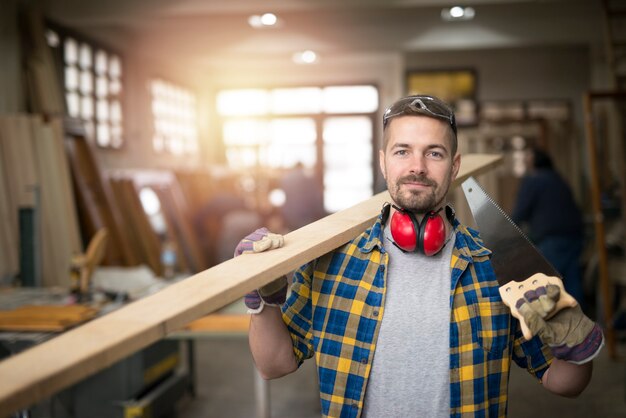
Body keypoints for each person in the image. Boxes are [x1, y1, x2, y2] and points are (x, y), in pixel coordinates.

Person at [235, 95, 604, 417]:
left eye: (434, 153)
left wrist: (576, 344)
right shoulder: (332, 261)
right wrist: (263, 297)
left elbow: (564, 383)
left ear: (455, 166)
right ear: (383, 162)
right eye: (402, 151)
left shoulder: (498, 264)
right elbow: (274, 364)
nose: (417, 166)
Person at [512, 147, 586, 306]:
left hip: (552, 241)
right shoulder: (559, 179)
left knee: (547, 287)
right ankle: (582, 327)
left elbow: (520, 212)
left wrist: (504, 231)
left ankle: (556, 328)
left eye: (528, 159)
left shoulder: (534, 181)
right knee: (572, 284)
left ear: (534, 162)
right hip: (574, 238)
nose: (526, 163)